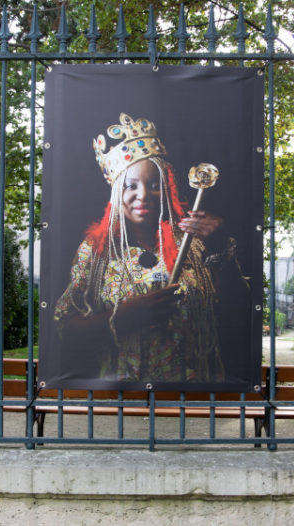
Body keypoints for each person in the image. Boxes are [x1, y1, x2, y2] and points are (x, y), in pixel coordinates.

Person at [53, 113, 249, 383]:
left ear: (167, 189)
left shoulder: (194, 243)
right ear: (115, 193)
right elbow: (66, 328)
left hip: (191, 396)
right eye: (130, 186)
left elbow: (238, 311)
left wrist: (221, 251)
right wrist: (124, 316)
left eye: (154, 185)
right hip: (120, 401)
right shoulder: (95, 251)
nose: (143, 195)